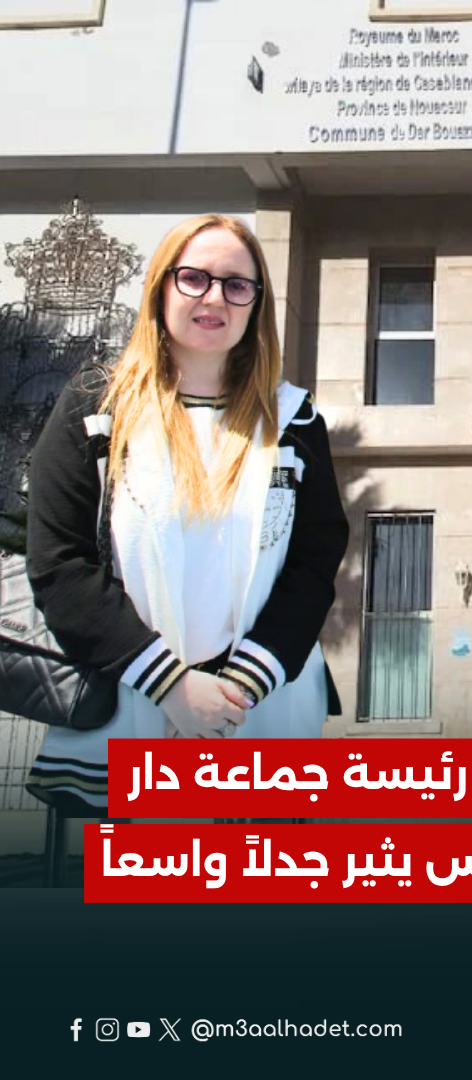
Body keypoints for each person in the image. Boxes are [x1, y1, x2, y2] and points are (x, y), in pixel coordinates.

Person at [23, 214, 349, 814]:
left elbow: (314, 565)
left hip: (261, 710)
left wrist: (234, 692)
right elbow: (59, 562)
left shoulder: (295, 421)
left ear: (256, 305)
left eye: (237, 285)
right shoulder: (97, 408)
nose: (215, 298)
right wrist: (172, 687)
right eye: (194, 278)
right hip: (133, 704)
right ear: (161, 286)